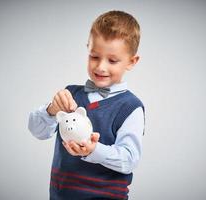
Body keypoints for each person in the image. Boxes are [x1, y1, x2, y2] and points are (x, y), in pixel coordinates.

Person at [28, 10, 145, 200]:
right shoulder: (70, 95)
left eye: (112, 60)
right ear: (88, 49)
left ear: (131, 62)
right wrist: (52, 110)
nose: (100, 67)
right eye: (94, 56)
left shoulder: (130, 107)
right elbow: (37, 131)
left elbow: (129, 159)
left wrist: (94, 150)